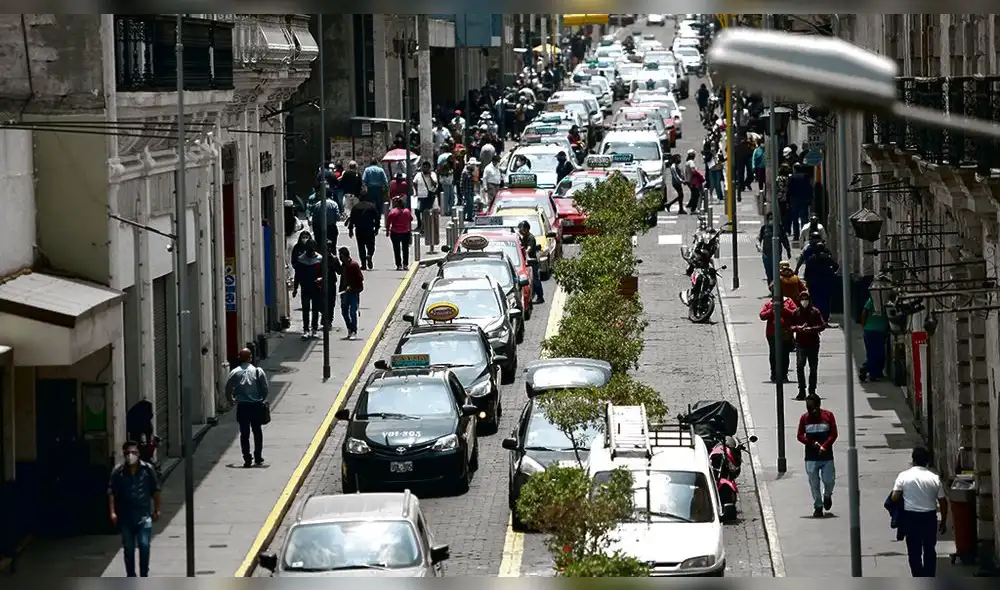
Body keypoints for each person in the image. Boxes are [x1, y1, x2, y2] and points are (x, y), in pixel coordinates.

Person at [890, 445, 948, 577]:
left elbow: (894, 497)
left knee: (914, 551)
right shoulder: (934, 478)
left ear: (913, 460)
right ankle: (929, 576)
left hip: (910, 518)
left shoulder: (903, 476)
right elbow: (943, 502)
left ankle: (918, 577)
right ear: (927, 462)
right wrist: (943, 521)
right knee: (929, 549)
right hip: (929, 517)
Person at [108, 440, 161, 577]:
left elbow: (155, 491)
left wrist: (157, 509)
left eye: (133, 452)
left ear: (138, 454)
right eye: (128, 453)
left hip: (144, 516)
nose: (130, 455)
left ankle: (144, 574)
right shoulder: (118, 472)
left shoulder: (147, 469)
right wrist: (112, 512)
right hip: (126, 517)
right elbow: (112, 493)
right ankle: (131, 576)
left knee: (144, 546)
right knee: (128, 549)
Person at [225, 347, 270, 467]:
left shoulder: (234, 372)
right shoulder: (258, 371)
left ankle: (247, 458)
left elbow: (228, 389)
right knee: (257, 432)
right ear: (250, 358)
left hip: (243, 407)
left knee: (244, 433)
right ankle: (258, 456)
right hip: (256, 406)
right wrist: (261, 398)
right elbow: (265, 389)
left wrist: (231, 400)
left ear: (239, 358)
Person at [796, 393, 838, 518]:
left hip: (826, 456)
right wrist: (811, 443)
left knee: (829, 480)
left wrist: (825, 446)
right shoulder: (804, 418)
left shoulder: (828, 416)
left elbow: (833, 434)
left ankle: (827, 495)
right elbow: (800, 435)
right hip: (811, 457)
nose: (810, 410)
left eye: (812, 407)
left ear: (818, 405)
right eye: (808, 407)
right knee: (814, 483)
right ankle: (818, 506)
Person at [796, 233, 839, 324]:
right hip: (825, 283)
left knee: (815, 300)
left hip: (815, 284)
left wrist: (806, 280)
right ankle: (824, 318)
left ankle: (817, 317)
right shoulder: (827, 257)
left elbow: (807, 270)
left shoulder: (812, 258)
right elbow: (836, 266)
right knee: (826, 301)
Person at [790, 291, 826, 400]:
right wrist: (798, 328)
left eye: (806, 299)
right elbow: (790, 326)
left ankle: (812, 390)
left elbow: (822, 325)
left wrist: (812, 329)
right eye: (802, 299)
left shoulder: (815, 312)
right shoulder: (796, 312)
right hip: (800, 343)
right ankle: (801, 390)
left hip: (813, 344)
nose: (804, 301)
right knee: (800, 367)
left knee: (813, 368)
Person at [759, 283, 797, 383]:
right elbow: (762, 315)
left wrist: (784, 309)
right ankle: (774, 374)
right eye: (773, 291)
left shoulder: (788, 301)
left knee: (785, 354)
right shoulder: (769, 304)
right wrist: (772, 310)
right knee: (774, 354)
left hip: (786, 333)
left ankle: (784, 374)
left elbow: (795, 313)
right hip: (772, 334)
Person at [291, 239, 323, 338]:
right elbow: (297, 275)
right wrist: (295, 288)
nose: (311, 251)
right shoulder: (301, 259)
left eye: (312, 249)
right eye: (309, 249)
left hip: (316, 287)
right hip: (305, 287)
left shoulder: (319, 258)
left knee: (315, 309)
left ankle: (314, 329)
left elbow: (324, 274)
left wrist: (320, 279)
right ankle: (306, 329)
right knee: (305, 309)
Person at [860, 295, 889, 381]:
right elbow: (864, 312)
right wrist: (863, 325)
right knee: (877, 353)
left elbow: (864, 312)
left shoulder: (874, 300)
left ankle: (875, 373)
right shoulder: (875, 300)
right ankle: (867, 369)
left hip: (873, 330)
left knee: (875, 354)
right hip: (875, 331)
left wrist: (863, 325)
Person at [757, 213, 791, 286]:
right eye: (770, 218)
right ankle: (771, 288)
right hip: (766, 256)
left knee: (777, 273)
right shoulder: (764, 228)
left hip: (777, 255)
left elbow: (785, 240)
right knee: (769, 273)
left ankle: (777, 289)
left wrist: (788, 251)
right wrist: (758, 246)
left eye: (773, 218)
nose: (771, 220)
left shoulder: (779, 228)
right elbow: (759, 238)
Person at [338, 246, 364, 339]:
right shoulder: (343, 266)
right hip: (344, 292)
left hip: (353, 292)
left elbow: (360, 278)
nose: (340, 258)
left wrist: (352, 286)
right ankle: (349, 328)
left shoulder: (354, 265)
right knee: (344, 312)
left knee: (353, 312)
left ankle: (354, 331)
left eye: (340, 256)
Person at [347, 198, 379, 270]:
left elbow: (352, 219)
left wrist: (350, 230)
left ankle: (363, 264)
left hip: (359, 229)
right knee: (371, 245)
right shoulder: (371, 206)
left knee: (361, 247)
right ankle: (369, 255)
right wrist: (377, 228)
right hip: (369, 229)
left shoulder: (356, 207)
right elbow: (377, 218)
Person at [518, 220, 543, 304]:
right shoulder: (523, 237)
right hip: (526, 261)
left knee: (535, 279)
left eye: (521, 229)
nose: (520, 230)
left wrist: (524, 252)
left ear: (526, 229)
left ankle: (540, 296)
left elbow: (529, 248)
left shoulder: (530, 238)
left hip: (532, 262)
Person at [386, 196, 414, 270]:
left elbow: (388, 222)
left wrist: (387, 231)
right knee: (405, 249)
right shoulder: (407, 211)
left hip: (395, 232)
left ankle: (399, 265)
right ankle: (405, 264)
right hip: (405, 232)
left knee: (396, 249)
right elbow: (411, 219)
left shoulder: (392, 212)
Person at [413, 160, 439, 232]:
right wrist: (416, 191)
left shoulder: (433, 174)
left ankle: (424, 227)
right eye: (423, 167)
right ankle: (420, 224)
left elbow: (435, 184)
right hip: (420, 196)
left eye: (426, 168)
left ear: (429, 168)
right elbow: (414, 182)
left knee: (425, 212)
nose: (425, 169)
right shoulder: (418, 174)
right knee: (417, 211)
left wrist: (430, 176)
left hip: (428, 196)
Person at [459, 157, 478, 222]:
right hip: (466, 191)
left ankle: (469, 216)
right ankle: (464, 216)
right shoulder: (465, 172)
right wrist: (462, 192)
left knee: (470, 204)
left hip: (470, 190)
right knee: (468, 204)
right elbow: (462, 182)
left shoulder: (471, 172)